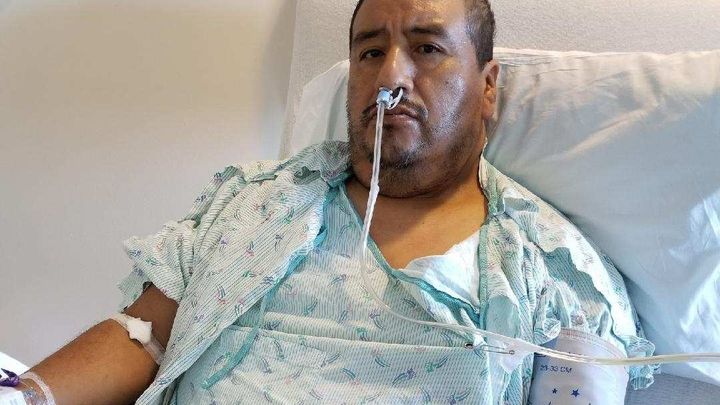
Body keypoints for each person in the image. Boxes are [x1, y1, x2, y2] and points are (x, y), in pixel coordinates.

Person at [3, 0, 656, 404]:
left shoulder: (556, 272)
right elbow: (142, 335)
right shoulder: (252, 204)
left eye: (427, 49)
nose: (390, 76)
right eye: (370, 51)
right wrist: (27, 395)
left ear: (488, 88)